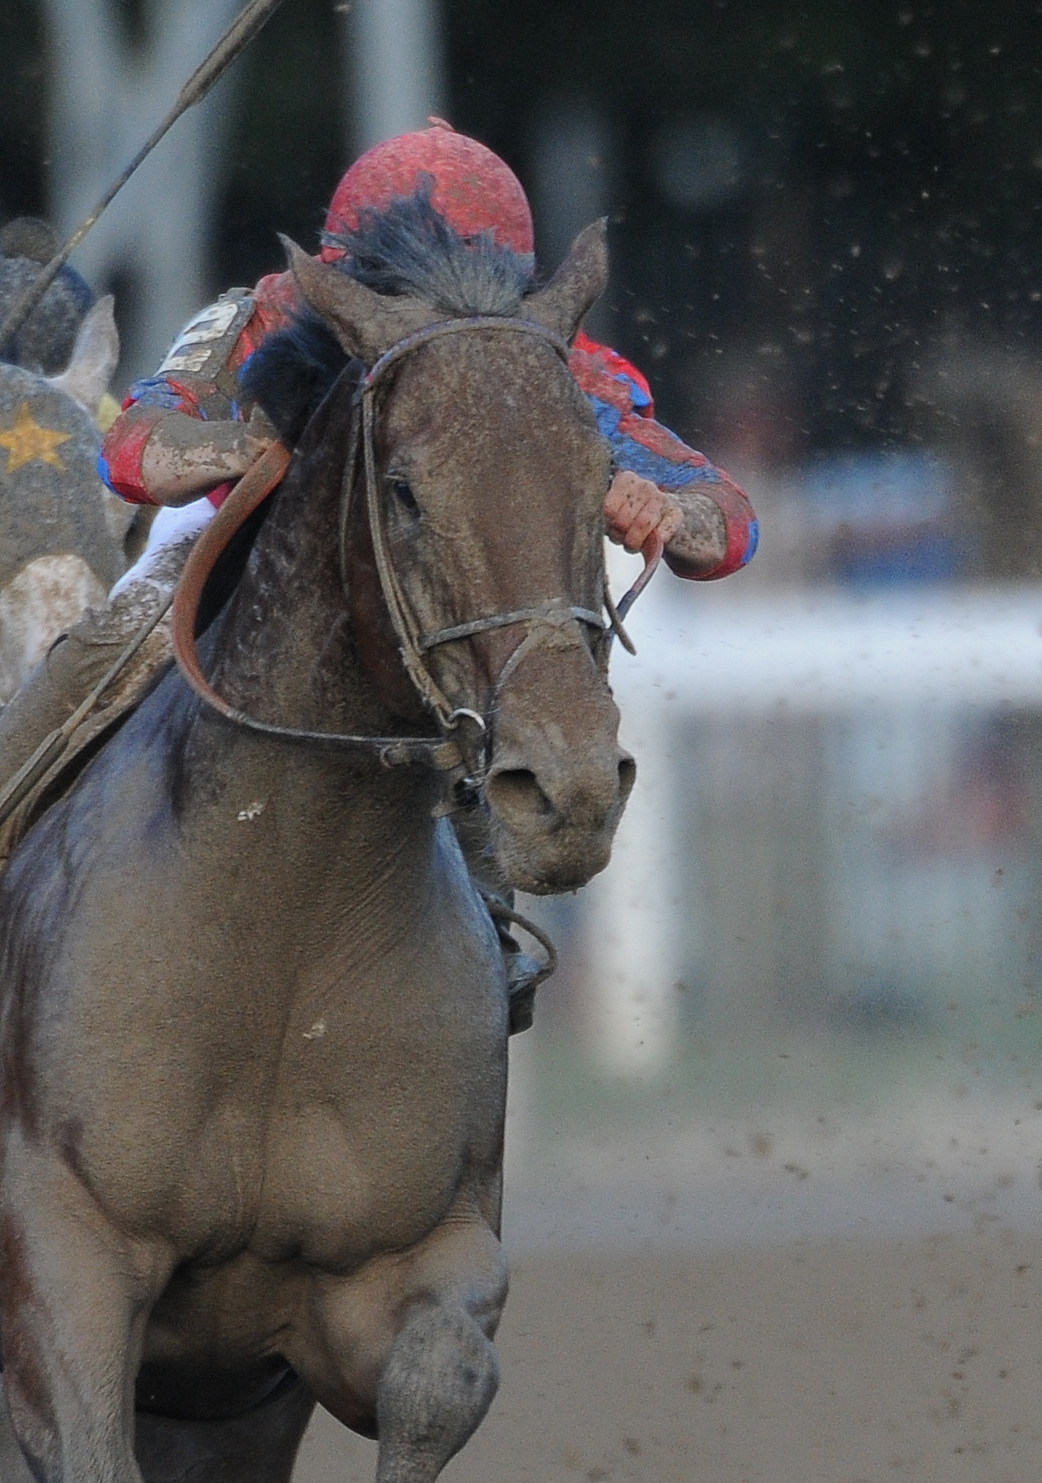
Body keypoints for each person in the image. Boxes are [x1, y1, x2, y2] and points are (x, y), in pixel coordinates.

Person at [0, 122, 758, 1009]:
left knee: (502, 697)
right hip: (242, 567)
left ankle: (489, 942)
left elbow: (729, 524)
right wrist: (243, 448)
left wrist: (660, 505)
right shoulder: (273, 312)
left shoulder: (545, 358)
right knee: (101, 650)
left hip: (435, 600)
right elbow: (134, 446)